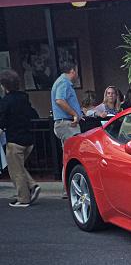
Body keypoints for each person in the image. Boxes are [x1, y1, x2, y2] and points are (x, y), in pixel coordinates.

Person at [0, 69, 41, 207]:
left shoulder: (6, 101)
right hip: (28, 139)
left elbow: (2, 122)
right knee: (18, 167)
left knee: (15, 171)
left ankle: (24, 198)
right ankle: (32, 186)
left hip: (14, 140)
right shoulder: (24, 98)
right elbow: (33, 114)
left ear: (4, 85)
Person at [51, 61, 82, 197]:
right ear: (72, 71)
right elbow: (59, 100)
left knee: (69, 155)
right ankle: (69, 188)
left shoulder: (60, 82)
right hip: (67, 124)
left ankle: (68, 188)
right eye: (76, 71)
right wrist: (74, 113)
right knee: (73, 156)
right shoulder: (64, 82)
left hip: (64, 123)